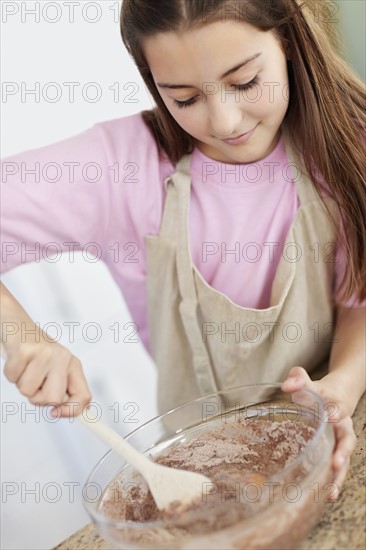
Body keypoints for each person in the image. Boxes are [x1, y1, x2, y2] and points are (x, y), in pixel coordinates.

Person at [1, 0, 365, 502]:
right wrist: (22, 337)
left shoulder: (351, 136)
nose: (224, 120)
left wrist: (340, 389)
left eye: (245, 82)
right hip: (211, 480)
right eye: (185, 97)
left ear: (292, 33)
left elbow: (359, 297)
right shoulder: (118, 168)